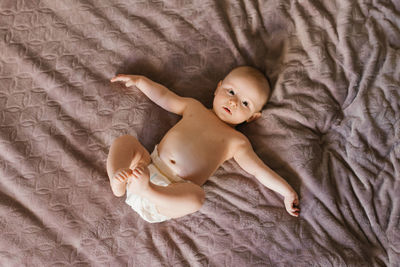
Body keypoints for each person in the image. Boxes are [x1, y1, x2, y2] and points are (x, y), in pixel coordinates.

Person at [107, 66, 300, 223]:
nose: (233, 102)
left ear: (252, 117)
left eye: (245, 103)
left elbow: (259, 170)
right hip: (145, 167)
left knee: (196, 197)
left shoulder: (237, 142)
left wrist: (287, 192)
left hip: (168, 195)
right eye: (231, 91)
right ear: (218, 88)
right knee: (125, 142)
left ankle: (147, 190)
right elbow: (165, 96)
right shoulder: (194, 107)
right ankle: (118, 181)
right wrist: (141, 81)